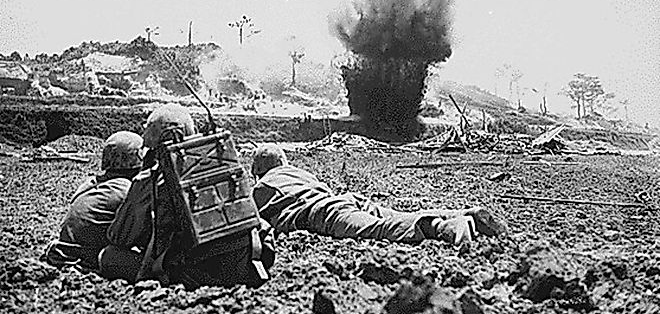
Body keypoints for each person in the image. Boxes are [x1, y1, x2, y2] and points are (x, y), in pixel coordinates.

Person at [101, 103, 274, 289]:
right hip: (246, 262)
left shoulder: (150, 179)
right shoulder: (224, 160)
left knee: (109, 256)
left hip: (195, 272)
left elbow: (120, 237)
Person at [251, 144, 505, 247]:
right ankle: (461, 214)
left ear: (259, 170)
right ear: (283, 160)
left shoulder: (261, 187)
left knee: (377, 230)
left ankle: (443, 227)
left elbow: (253, 222)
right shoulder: (301, 173)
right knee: (397, 216)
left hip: (322, 212)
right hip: (345, 200)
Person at [43, 131, 144, 271]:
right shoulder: (125, 190)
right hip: (85, 257)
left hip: (64, 251)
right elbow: (125, 237)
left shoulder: (91, 183)